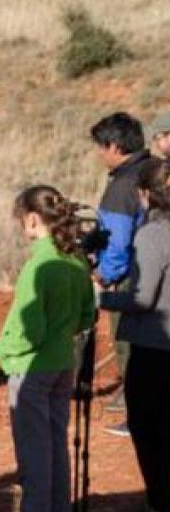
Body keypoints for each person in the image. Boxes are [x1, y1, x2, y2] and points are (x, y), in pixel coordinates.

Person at [0, 186, 94, 512]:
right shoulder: (76, 260)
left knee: (34, 453)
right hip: (63, 363)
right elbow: (87, 315)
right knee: (54, 446)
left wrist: (4, 352)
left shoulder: (39, 265)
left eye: (22, 222)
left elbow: (27, 327)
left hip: (32, 368)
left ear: (33, 220)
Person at [98, 158, 170, 512]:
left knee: (148, 427)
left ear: (146, 195)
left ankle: (159, 508)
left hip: (156, 347)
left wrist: (101, 299)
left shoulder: (153, 235)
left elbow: (142, 299)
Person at [89, 113, 153, 437]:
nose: (100, 154)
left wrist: (102, 276)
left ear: (115, 146)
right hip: (159, 271)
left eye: (102, 147)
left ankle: (139, 416)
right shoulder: (155, 170)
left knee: (129, 345)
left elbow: (116, 241)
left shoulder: (122, 186)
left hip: (132, 275)